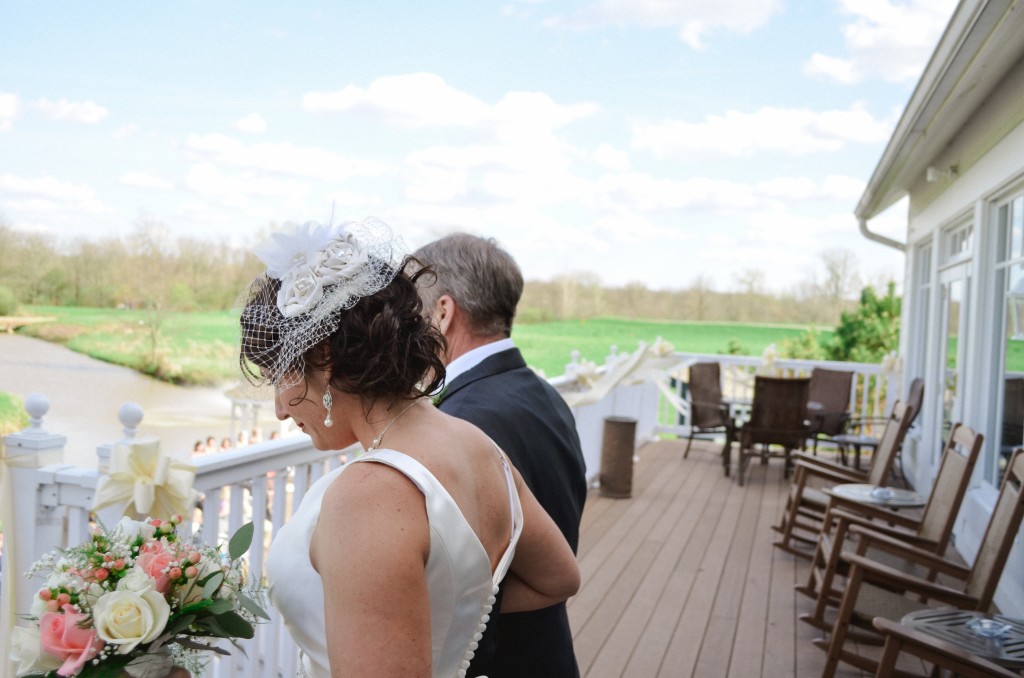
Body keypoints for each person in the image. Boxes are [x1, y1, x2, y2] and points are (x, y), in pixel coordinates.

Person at [240, 218, 580, 678]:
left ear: (323, 357)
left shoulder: (371, 494)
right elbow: (558, 578)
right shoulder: (479, 446)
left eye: (282, 373)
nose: (280, 408)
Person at [413, 233, 588, 678]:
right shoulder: (543, 395)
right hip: (548, 652)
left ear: (444, 312)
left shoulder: (463, 424)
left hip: (500, 660)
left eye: (411, 312)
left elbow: (467, 588)